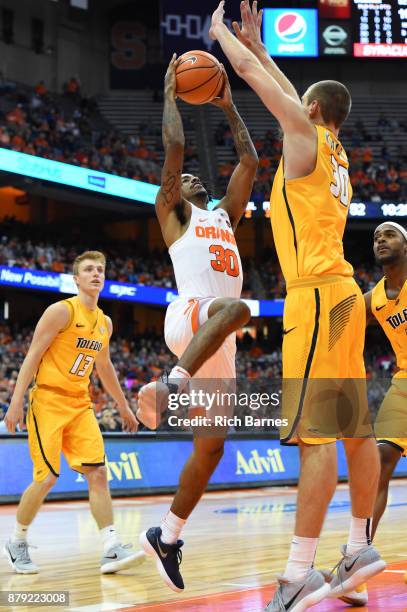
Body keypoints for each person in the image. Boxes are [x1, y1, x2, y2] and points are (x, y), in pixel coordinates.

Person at [209, 1, 385, 609]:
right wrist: (261, 47)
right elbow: (282, 85)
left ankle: (298, 573)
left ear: (310, 110)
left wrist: (225, 41)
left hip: (315, 299)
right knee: (356, 433)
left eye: (299, 101)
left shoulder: (304, 135)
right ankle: (360, 546)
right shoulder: (331, 150)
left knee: (316, 441)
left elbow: (264, 87)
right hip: (346, 298)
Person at [136, 54, 257, 591]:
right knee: (239, 309)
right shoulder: (174, 214)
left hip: (216, 343)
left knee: (211, 449)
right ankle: (168, 385)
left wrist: (229, 104)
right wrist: (170, 94)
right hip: (189, 316)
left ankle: (167, 535)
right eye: (181, 179)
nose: (189, 176)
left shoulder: (224, 216)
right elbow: (175, 149)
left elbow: (250, 162)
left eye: (192, 177)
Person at [3, 251, 144, 574]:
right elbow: (32, 356)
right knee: (47, 477)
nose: (96, 274)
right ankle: (17, 540)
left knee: (97, 472)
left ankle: (111, 547)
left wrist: (124, 406)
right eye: (89, 270)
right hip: (48, 402)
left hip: (80, 404)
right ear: (76, 279)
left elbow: (104, 367)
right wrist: (16, 402)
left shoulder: (104, 323)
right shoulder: (61, 312)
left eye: (100, 270)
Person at [342, 222, 407, 606]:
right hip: (405, 382)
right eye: (376, 237)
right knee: (378, 461)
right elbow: (343, 324)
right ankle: (357, 560)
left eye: (390, 235)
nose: (381, 239)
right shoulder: (374, 298)